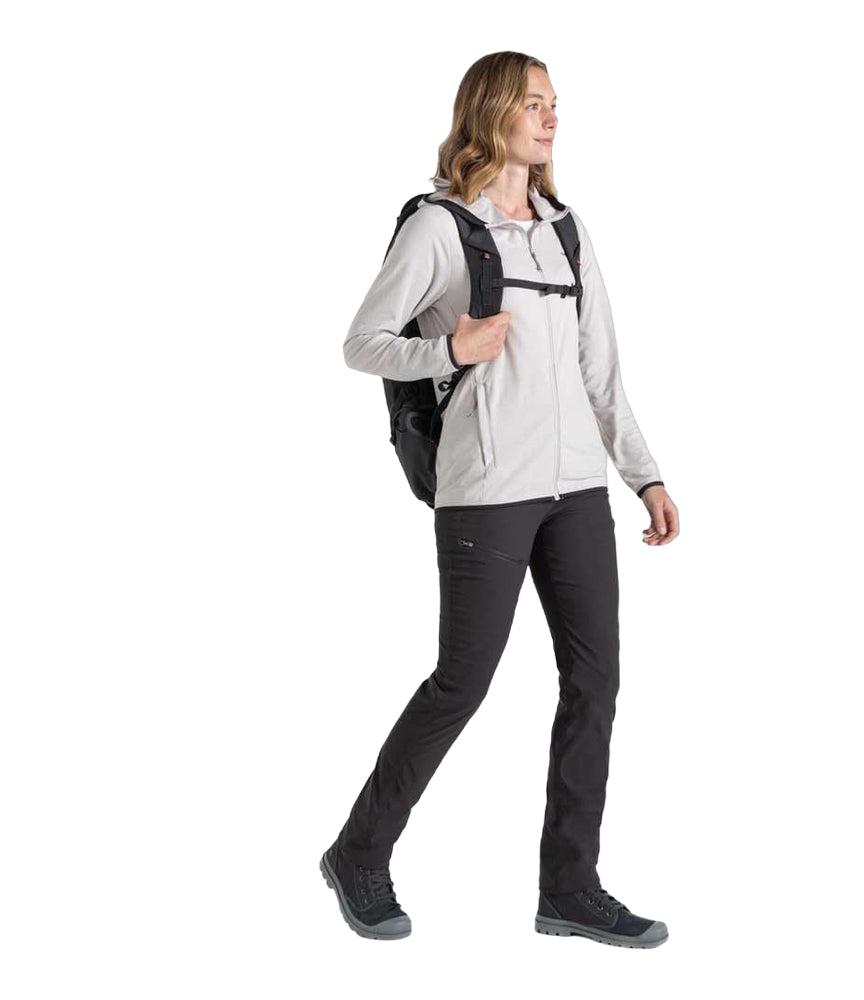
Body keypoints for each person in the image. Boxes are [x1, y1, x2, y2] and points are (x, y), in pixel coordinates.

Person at [321, 51, 679, 948]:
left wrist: (643, 474)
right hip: (486, 492)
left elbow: (603, 372)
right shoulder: (440, 227)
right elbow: (363, 342)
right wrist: (451, 349)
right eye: (533, 103)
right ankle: (358, 853)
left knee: (595, 681)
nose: (551, 118)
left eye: (555, 104)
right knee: (462, 683)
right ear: (490, 112)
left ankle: (571, 888)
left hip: (577, 493)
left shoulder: (566, 231)